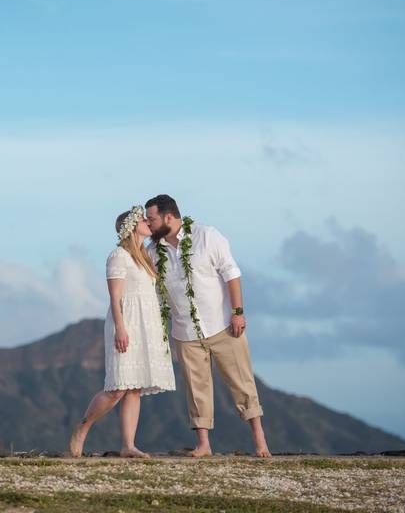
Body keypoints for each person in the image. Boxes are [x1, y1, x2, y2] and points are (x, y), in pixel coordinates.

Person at [144, 194, 271, 458]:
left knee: (242, 383)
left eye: (152, 219)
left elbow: (231, 273)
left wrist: (238, 312)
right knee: (196, 389)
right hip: (184, 332)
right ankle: (204, 445)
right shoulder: (152, 252)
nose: (149, 224)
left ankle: (260, 442)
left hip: (223, 326)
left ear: (169, 217)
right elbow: (153, 292)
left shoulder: (207, 236)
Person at [68, 204, 176, 458]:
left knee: (135, 387)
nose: (148, 223)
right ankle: (83, 427)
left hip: (146, 325)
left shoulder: (145, 257)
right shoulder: (118, 256)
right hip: (126, 323)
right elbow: (115, 297)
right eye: (142, 220)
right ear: (130, 228)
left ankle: (128, 445)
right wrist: (120, 328)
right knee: (117, 388)